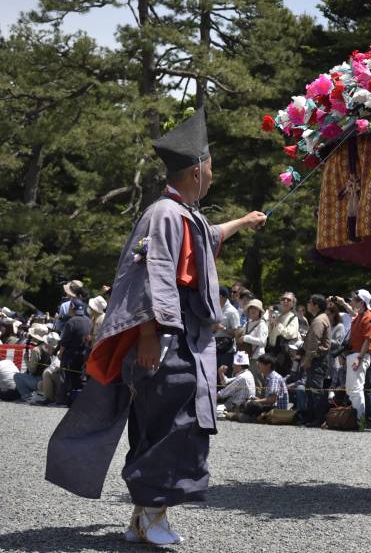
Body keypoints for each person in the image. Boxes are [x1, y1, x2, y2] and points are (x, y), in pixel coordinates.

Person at [45, 108, 266, 546]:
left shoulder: (182, 213)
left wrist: (243, 222)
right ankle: (152, 516)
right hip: (166, 337)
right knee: (170, 425)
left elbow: (208, 236)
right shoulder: (164, 214)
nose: (213, 176)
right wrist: (148, 335)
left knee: (164, 422)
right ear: (196, 171)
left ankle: (142, 518)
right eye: (211, 168)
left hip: (178, 334)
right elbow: (149, 274)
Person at [346, 289, 371, 430]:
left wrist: (359, 358)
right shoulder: (360, 315)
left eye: (354, 299)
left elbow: (368, 340)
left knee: (356, 389)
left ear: (361, 302)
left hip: (360, 355)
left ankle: (360, 422)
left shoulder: (368, 317)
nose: (351, 301)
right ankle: (355, 420)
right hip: (354, 354)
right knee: (351, 389)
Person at [301, 294, 332, 426]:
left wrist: (308, 359)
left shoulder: (319, 320)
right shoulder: (320, 318)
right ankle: (311, 417)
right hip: (318, 358)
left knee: (315, 390)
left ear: (316, 305)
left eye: (309, 302)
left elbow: (314, 342)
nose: (307, 304)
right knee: (311, 389)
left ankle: (318, 419)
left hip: (317, 359)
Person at [59, 299, 92, 398]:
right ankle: (75, 399)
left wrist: (60, 354)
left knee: (64, 377)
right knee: (77, 378)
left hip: (69, 354)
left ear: (72, 307)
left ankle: (61, 399)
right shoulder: (88, 320)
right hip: (83, 354)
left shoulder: (71, 322)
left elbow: (64, 342)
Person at [241, 354, 288, 420]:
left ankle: (243, 417)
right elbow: (270, 398)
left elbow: (273, 399)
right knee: (249, 401)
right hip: (271, 407)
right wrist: (257, 399)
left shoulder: (274, 378)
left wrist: (257, 401)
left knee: (251, 405)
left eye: (260, 364)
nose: (258, 366)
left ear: (268, 365)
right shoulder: (269, 377)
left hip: (276, 410)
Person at [266, 292, 299, 376]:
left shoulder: (293, 318)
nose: (285, 301)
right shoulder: (277, 315)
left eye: (289, 300)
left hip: (283, 355)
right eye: (283, 299)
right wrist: (270, 319)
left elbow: (289, 334)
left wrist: (278, 323)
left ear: (293, 304)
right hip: (272, 351)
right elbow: (269, 333)